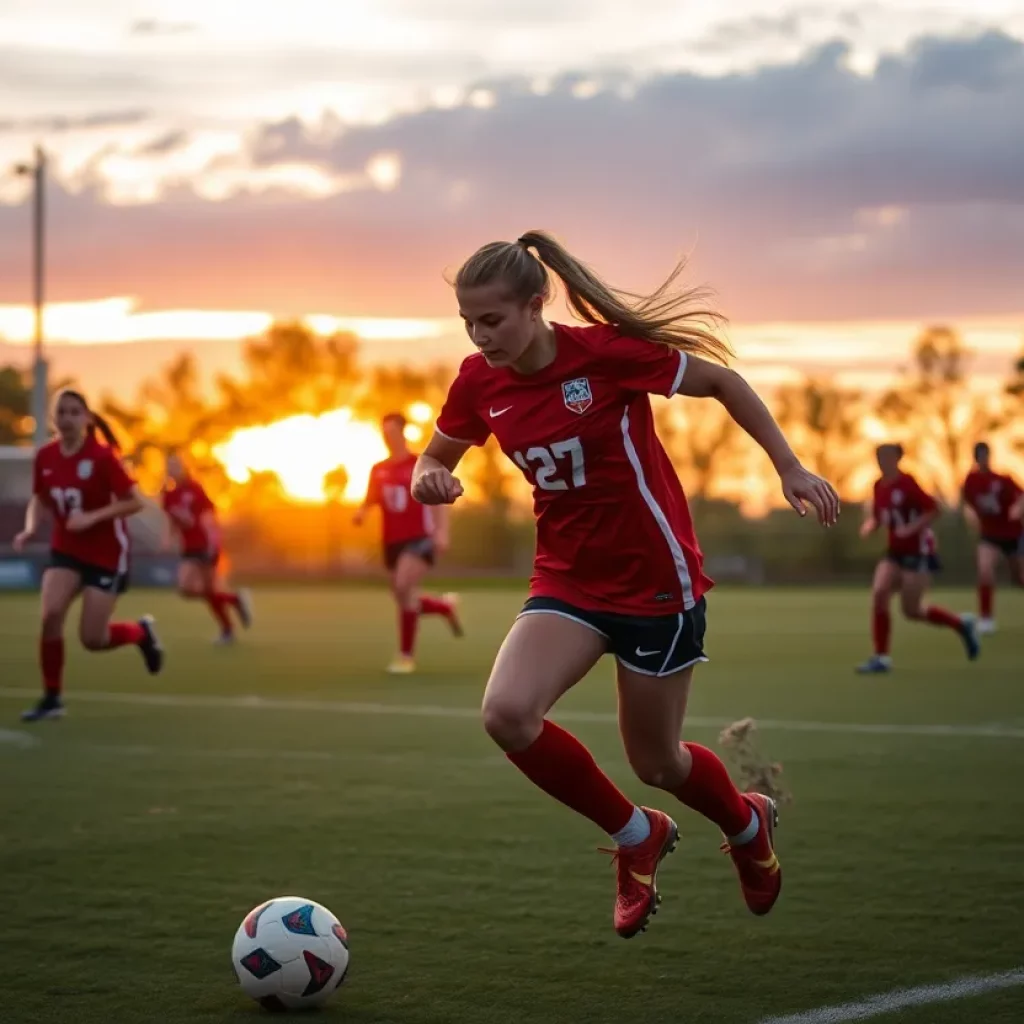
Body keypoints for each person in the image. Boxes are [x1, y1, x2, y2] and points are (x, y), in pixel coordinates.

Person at [411, 230, 840, 939]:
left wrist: (789, 466)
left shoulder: (604, 356)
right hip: (568, 582)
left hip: (657, 586)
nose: (480, 335)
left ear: (536, 304)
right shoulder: (477, 380)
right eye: (468, 322)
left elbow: (724, 382)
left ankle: (745, 819)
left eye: (493, 319)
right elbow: (438, 453)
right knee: (506, 714)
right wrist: (431, 474)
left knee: (658, 762)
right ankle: (637, 835)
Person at [13, 389, 164, 722]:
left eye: (73, 412)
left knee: (93, 639)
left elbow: (133, 502)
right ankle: (53, 699)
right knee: (50, 613)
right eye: (61, 412)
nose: (66, 418)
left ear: (85, 419)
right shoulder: (46, 456)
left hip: (105, 553)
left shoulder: (102, 457)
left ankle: (140, 633)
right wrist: (29, 528)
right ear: (53, 419)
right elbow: (39, 498)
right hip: (66, 549)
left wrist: (92, 518)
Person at [856, 443, 979, 674]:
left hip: (919, 552)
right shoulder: (878, 486)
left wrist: (911, 528)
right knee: (880, 592)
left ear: (897, 459)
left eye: (886, 457)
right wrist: (870, 526)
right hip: (895, 553)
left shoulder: (908, 484)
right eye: (878, 457)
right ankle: (881, 657)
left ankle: (961, 624)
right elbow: (879, 516)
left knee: (911, 610)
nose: (881, 461)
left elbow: (934, 509)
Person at [354, 412, 462, 674]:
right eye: (384, 432)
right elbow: (372, 498)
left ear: (403, 433)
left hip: (419, 538)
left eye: (393, 432)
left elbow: (436, 498)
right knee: (403, 595)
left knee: (403, 587)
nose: (388, 437)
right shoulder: (378, 469)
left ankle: (405, 657)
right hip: (391, 540)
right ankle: (443, 607)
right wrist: (361, 512)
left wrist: (441, 532)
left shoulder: (419, 464)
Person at [160, 450, 252, 644]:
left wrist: (214, 543)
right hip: (188, 548)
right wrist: (168, 539)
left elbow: (209, 517)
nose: (172, 469)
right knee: (187, 589)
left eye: (176, 465)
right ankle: (234, 600)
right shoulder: (168, 495)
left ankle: (228, 631)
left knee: (209, 591)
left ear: (184, 467)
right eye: (169, 465)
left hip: (205, 545)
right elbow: (172, 521)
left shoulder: (195, 489)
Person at [960, 441, 1023, 634]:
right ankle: (986, 618)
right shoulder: (971, 481)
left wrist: (1017, 509)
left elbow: (1021, 496)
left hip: (1013, 533)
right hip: (989, 535)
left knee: (1019, 578)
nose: (983, 459)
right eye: (979, 456)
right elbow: (967, 501)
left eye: (986, 455)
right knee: (985, 571)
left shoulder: (1002, 479)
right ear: (975, 458)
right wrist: (971, 515)